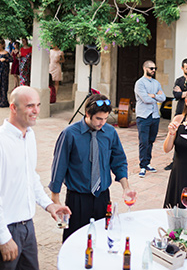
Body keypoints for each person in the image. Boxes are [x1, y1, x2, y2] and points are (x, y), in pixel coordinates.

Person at [0, 86, 70, 270]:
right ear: (13, 107)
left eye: (38, 105)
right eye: (30, 106)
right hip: (7, 228)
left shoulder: (30, 135)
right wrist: (3, 237)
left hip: (28, 227)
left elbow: (31, 177)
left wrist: (49, 204)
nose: (36, 110)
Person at [48, 94, 136, 241]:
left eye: (106, 118)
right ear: (88, 114)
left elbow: (119, 161)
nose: (103, 123)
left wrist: (126, 187)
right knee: (75, 240)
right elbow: (59, 167)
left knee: (102, 238)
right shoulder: (69, 134)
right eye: (99, 119)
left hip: (102, 197)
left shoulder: (110, 132)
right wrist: (55, 201)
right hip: (78, 199)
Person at [134, 60, 165, 178]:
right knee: (143, 142)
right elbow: (145, 99)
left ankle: (148, 163)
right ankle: (142, 165)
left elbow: (163, 97)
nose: (153, 70)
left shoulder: (156, 83)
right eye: (151, 68)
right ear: (145, 68)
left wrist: (153, 95)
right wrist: (155, 97)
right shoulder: (140, 83)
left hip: (155, 116)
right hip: (143, 116)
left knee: (151, 141)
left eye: (155, 68)